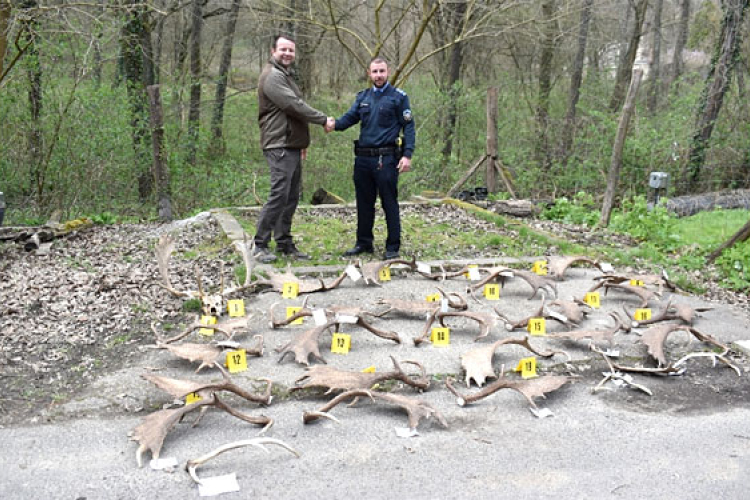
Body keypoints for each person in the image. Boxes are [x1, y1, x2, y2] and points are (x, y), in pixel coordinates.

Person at [327, 57, 415, 260]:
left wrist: (407, 155)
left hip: (386, 159)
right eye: (375, 72)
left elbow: (408, 126)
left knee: (389, 202)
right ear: (369, 73)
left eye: (382, 71)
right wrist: (333, 124)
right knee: (364, 203)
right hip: (363, 159)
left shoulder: (399, 97)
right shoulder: (363, 97)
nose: (378, 75)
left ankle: (392, 247)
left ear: (388, 71)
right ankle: (364, 243)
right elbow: (350, 118)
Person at [254, 34, 332, 263]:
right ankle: (259, 245)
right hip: (279, 144)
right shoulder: (273, 76)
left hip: (290, 145)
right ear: (273, 51)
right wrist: (323, 119)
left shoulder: (285, 75)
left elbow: (292, 114)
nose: (287, 54)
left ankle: (284, 242)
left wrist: (301, 144)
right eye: (283, 49)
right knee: (279, 194)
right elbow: (293, 106)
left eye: (291, 50)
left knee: (291, 196)